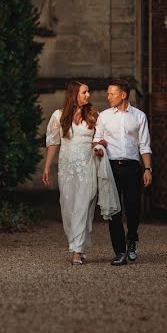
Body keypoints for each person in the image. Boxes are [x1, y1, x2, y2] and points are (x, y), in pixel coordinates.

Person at [42, 81, 119, 265]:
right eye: (84, 92)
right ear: (74, 94)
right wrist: (46, 167)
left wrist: (100, 147)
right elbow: (53, 142)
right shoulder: (58, 116)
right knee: (68, 208)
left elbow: (101, 139)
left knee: (83, 207)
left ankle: (76, 250)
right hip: (67, 168)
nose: (88, 95)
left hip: (88, 166)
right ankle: (78, 244)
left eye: (88, 92)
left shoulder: (94, 115)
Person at [94, 78, 153, 266]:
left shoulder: (139, 116)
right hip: (110, 167)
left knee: (133, 208)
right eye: (108, 93)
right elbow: (97, 139)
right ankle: (119, 251)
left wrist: (148, 169)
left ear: (123, 95)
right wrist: (98, 147)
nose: (108, 96)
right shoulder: (103, 116)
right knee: (113, 210)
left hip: (132, 167)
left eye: (112, 93)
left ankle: (132, 241)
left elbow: (144, 145)